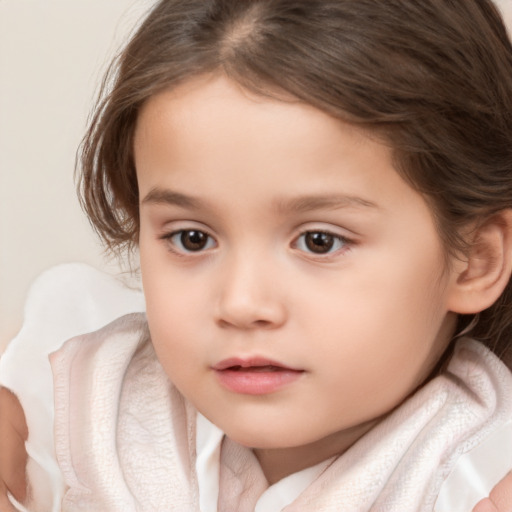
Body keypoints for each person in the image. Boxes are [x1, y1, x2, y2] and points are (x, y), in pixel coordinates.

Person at [1, 0, 512, 510]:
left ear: (476, 259)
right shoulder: (70, 404)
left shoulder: (480, 473)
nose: (242, 303)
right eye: (192, 238)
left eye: (320, 241)